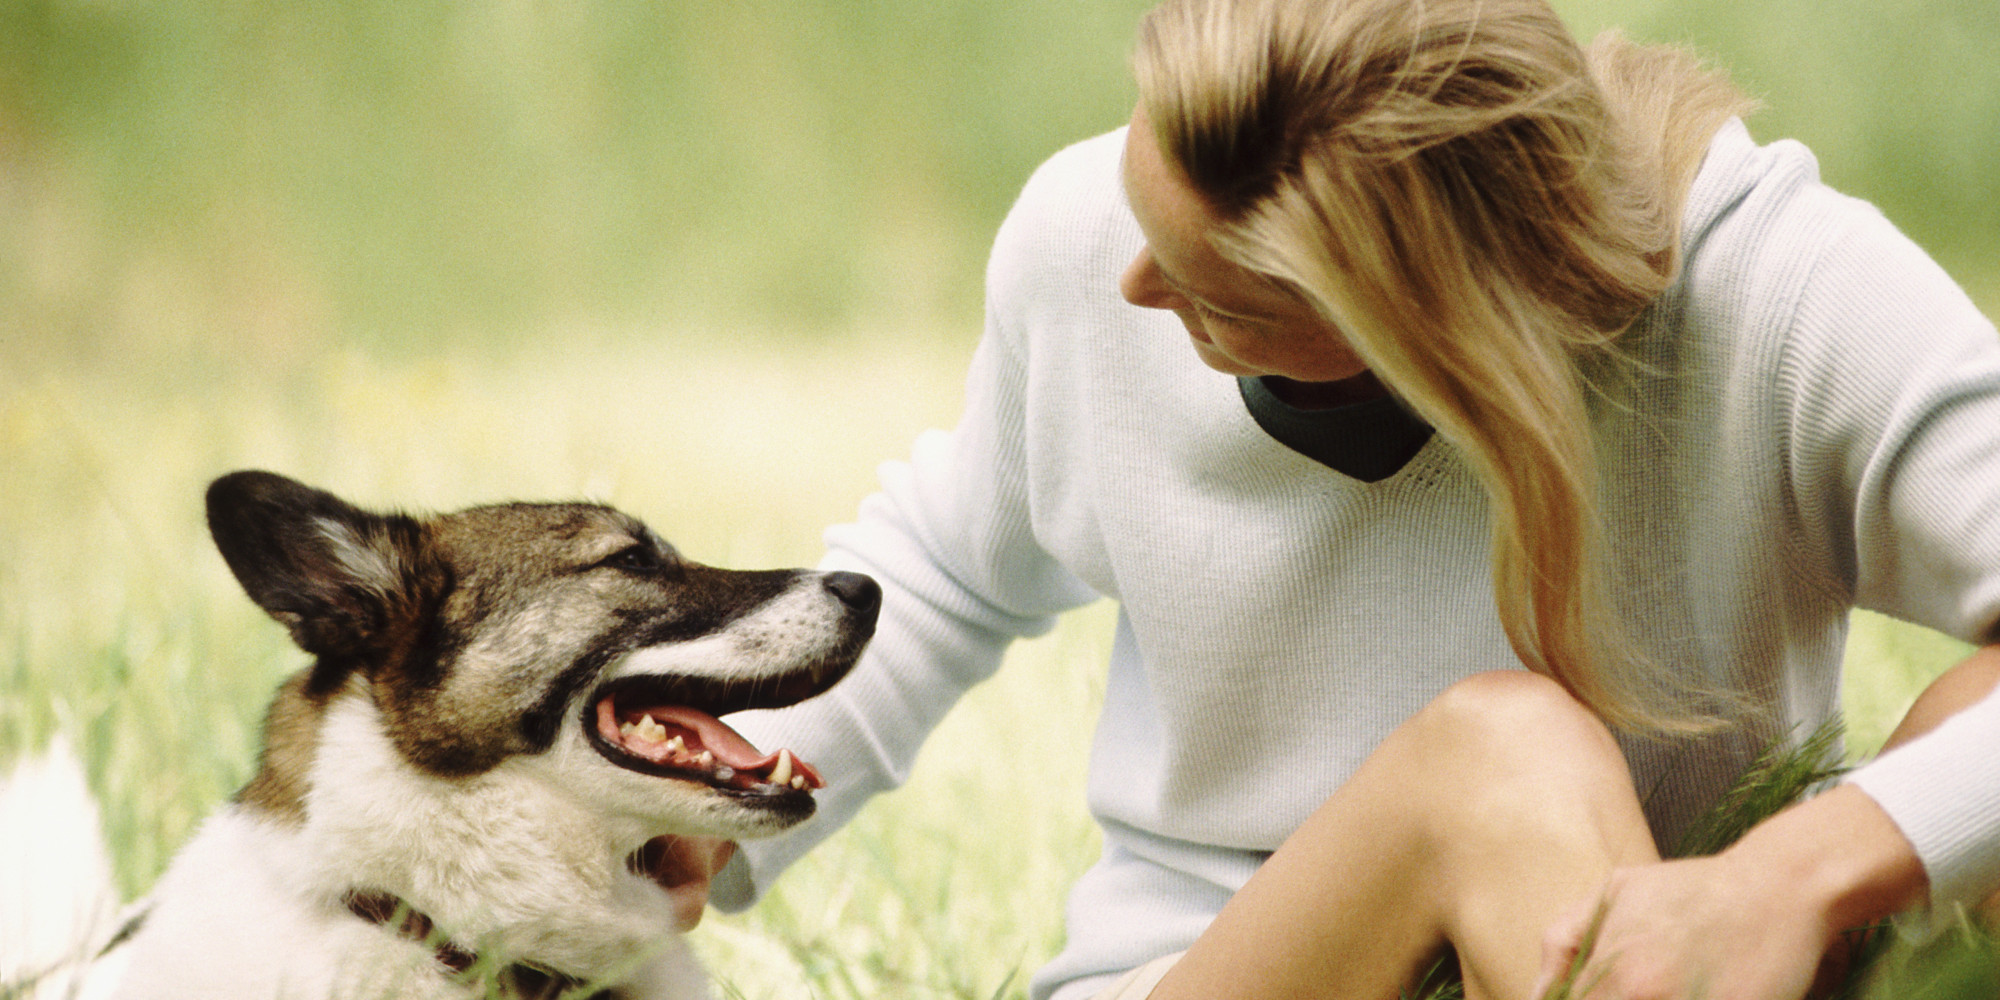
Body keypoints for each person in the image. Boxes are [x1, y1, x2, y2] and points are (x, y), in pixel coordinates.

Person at [667, 1, 2000, 997]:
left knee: (1969, 755)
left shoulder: (1766, 293)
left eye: (1228, 298)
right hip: (1232, 966)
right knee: (1500, 766)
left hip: (1682, 960)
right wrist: (694, 819)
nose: (1136, 286)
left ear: (1443, 327)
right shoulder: (1082, 250)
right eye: (1140, 209)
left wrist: (1800, 869)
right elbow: (949, 572)